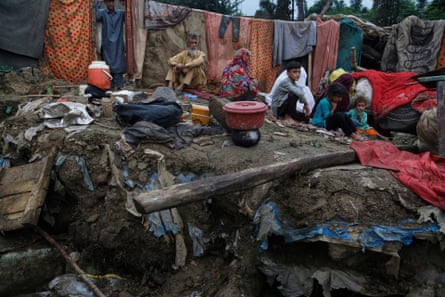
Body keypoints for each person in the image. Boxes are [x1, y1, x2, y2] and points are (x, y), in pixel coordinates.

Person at [96, 0, 126, 90]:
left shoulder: (120, 13)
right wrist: (98, 2)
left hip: (118, 44)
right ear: (105, 3)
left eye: (112, 2)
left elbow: (129, 15)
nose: (110, 4)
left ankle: (119, 86)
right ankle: (110, 86)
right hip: (107, 45)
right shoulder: (102, 13)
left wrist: (124, 3)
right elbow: (96, 16)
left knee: (119, 64)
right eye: (108, 2)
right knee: (107, 65)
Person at [270, 60, 311, 126]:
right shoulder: (286, 82)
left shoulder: (293, 83)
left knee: (305, 118)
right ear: (288, 73)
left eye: (299, 72)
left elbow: (300, 92)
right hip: (278, 108)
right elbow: (299, 93)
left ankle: (289, 116)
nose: (297, 74)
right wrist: (306, 104)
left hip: (284, 108)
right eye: (294, 72)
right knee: (293, 94)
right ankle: (287, 117)